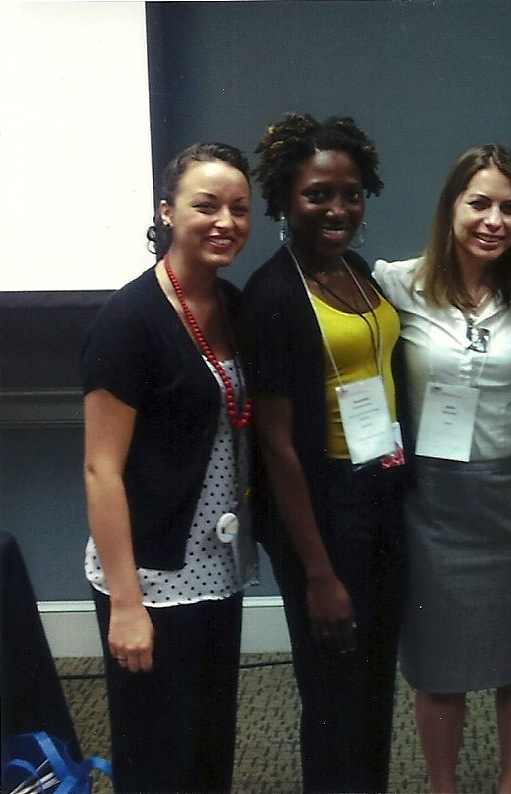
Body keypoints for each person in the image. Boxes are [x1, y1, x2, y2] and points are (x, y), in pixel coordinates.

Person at [373, 143, 511, 794]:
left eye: (509, 208)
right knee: (436, 663)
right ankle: (443, 786)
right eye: (478, 203)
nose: (493, 220)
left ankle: (510, 785)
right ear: (450, 208)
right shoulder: (397, 282)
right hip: (433, 503)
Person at [81, 141, 254, 794]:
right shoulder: (128, 321)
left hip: (218, 562)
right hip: (149, 574)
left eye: (239, 209)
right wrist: (125, 604)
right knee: (158, 751)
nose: (225, 222)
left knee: (210, 742)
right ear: (166, 211)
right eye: (205, 205)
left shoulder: (231, 306)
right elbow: (101, 470)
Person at [243, 114, 406, 793]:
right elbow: (277, 447)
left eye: (350, 193)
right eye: (317, 194)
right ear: (283, 199)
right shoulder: (274, 296)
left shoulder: (356, 270)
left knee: (371, 683)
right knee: (334, 694)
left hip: (381, 495)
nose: (337, 208)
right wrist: (317, 573)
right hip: (322, 511)